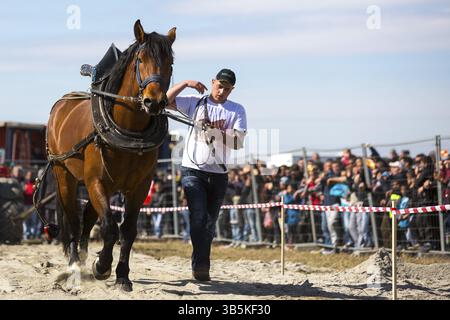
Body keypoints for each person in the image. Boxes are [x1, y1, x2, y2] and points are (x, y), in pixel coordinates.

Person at [166, 68, 247, 281]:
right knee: (198, 216)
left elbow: (238, 142)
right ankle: (202, 264)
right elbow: (164, 101)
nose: (221, 91)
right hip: (193, 169)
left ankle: (200, 259)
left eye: (227, 88)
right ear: (213, 82)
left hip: (219, 173)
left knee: (210, 224)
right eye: (219, 86)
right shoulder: (196, 103)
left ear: (232, 89)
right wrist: (185, 83)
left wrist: (215, 133)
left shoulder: (236, 110)